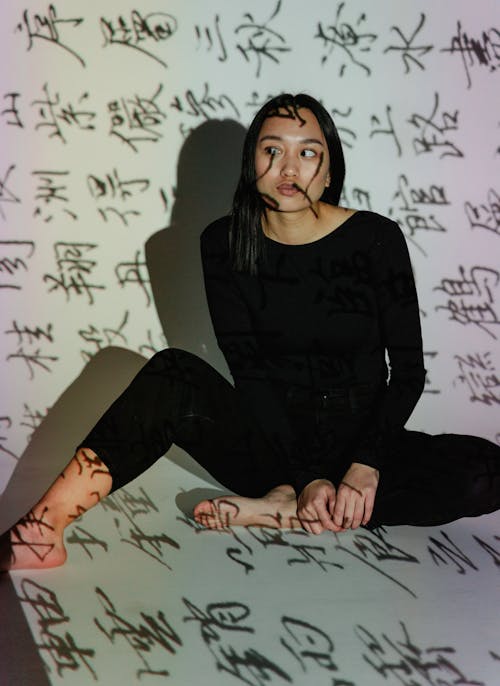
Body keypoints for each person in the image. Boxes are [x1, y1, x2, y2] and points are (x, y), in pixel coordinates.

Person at [1, 93, 499, 572]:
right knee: (172, 370)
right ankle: (41, 532)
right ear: (251, 164)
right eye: (272, 150)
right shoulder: (223, 243)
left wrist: (364, 466)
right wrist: (304, 477)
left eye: (308, 153)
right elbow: (251, 374)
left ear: (328, 172)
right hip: (270, 445)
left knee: (485, 472)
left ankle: (281, 511)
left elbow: (409, 372)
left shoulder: (376, 238)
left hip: (362, 443)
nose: (289, 169)